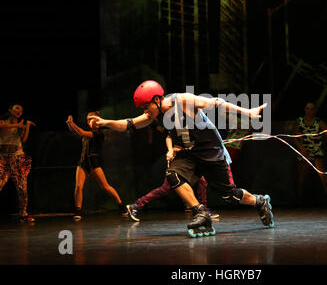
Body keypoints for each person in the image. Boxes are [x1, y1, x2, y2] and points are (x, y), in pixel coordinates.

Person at [90, 80, 274, 237]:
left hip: (211, 151)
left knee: (231, 195)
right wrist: (105, 123)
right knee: (173, 175)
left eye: (146, 107)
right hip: (189, 154)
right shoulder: (154, 114)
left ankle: (260, 201)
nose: (145, 111)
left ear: (157, 99)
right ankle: (200, 213)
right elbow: (129, 124)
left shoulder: (182, 100)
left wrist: (248, 113)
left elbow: (217, 103)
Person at [126, 134, 220, 221]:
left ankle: (203, 211)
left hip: (189, 158)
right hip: (179, 158)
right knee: (165, 188)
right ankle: (136, 205)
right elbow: (169, 136)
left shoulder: (197, 123)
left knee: (201, 182)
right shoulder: (180, 120)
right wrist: (171, 150)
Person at [66, 112, 127, 220]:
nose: (89, 121)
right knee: (78, 186)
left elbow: (80, 132)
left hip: (94, 162)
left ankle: (122, 206)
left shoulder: (99, 133)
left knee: (105, 186)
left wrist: (72, 123)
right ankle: (78, 211)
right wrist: (69, 123)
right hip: (83, 162)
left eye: (91, 119)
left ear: (97, 120)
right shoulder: (88, 131)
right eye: (88, 119)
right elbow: (74, 130)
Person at [291, 102, 327, 205]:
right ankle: (298, 201)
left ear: (315, 110)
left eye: (312, 109)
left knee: (323, 176)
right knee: (301, 177)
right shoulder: (299, 121)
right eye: (308, 109)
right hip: (304, 152)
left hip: (316, 151)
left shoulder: (318, 122)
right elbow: (294, 136)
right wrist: (302, 148)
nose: (310, 111)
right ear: (305, 109)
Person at [0, 104, 36, 222]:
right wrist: (18, 125)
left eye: (21, 110)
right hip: (3, 159)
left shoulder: (20, 124)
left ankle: (23, 214)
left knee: (22, 189)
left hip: (17, 159)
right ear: (10, 110)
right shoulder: (0, 122)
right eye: (17, 108)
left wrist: (26, 126)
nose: (19, 111)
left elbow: (24, 139)